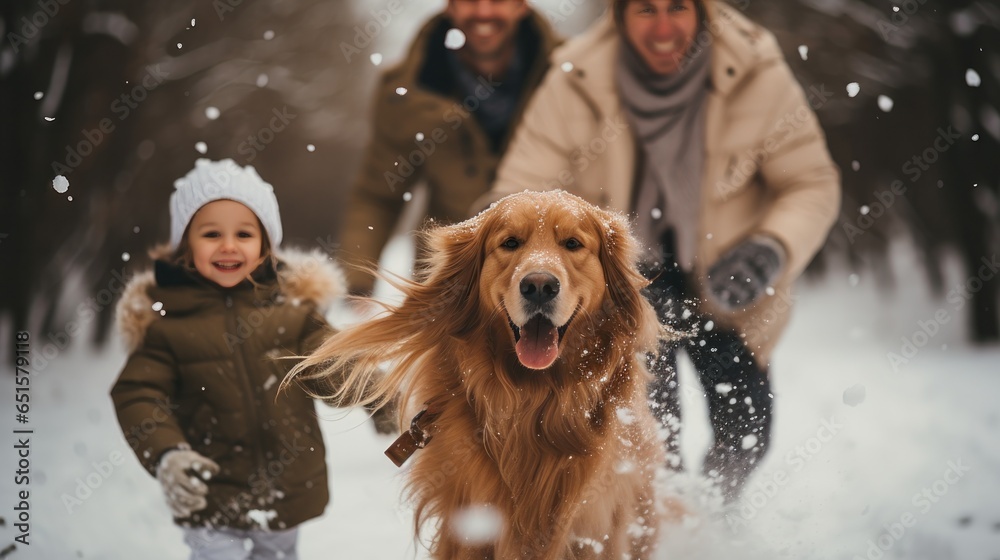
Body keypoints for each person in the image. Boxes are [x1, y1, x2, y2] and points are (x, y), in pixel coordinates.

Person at [479, 0, 841, 499]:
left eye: (678, 8)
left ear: (704, 11)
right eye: (646, 10)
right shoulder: (576, 76)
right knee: (644, 437)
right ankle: (662, 528)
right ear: (619, 15)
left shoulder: (757, 70)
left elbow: (810, 182)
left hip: (733, 281)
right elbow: (518, 189)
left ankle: (716, 518)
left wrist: (770, 248)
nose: (665, 27)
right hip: (627, 288)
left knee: (747, 432)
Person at [110, 159, 387, 559]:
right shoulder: (167, 325)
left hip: (286, 492)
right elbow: (138, 395)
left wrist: (381, 394)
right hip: (210, 494)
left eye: (244, 233)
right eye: (211, 234)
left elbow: (334, 365)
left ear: (264, 244)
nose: (228, 245)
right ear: (186, 245)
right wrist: (167, 453)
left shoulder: (293, 312)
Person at [339, 0, 561, 297]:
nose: (483, 12)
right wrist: (356, 282)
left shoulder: (572, 77)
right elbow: (378, 195)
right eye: (469, 0)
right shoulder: (406, 89)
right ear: (450, 6)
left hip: (549, 281)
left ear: (521, 6)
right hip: (445, 283)